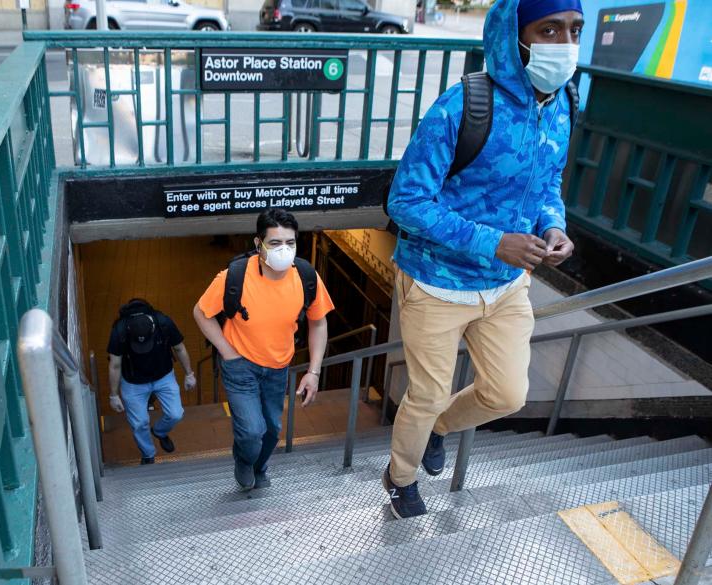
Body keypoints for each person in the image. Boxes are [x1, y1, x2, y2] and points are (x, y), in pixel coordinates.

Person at [383, 0, 581, 519]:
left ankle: (439, 431)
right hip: (436, 282)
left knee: (508, 393)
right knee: (424, 395)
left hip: (507, 284)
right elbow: (405, 202)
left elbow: (547, 183)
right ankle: (399, 479)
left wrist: (552, 225)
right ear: (515, 36)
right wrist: (494, 241)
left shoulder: (563, 104)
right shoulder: (462, 105)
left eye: (574, 29)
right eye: (550, 28)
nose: (564, 43)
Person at [193, 209, 334, 491]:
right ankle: (244, 461)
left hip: (278, 368)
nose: (284, 249)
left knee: (272, 429)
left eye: (290, 243)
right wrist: (227, 351)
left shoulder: (306, 277)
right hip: (240, 366)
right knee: (251, 430)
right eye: (275, 243)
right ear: (258, 244)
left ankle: (259, 466)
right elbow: (201, 312)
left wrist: (314, 371)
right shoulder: (233, 276)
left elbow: (318, 324)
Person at [108, 298, 197, 464]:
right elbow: (115, 364)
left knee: (175, 414)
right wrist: (113, 395)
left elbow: (179, 348)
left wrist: (189, 374)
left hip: (163, 376)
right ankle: (148, 454)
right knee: (139, 423)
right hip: (133, 382)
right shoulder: (119, 331)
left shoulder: (163, 322)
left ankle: (159, 431)